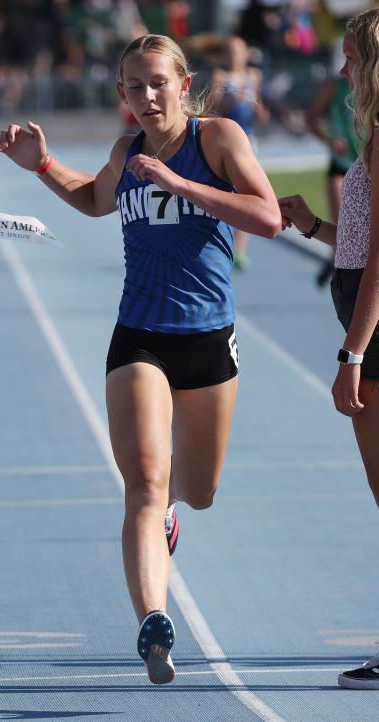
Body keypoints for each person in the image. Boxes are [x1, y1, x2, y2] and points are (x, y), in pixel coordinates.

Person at [0, 34, 281, 684]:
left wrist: (182, 183)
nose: (146, 97)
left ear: (183, 84)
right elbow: (96, 201)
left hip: (207, 337)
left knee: (196, 491)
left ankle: (171, 516)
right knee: (144, 486)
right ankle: (153, 620)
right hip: (140, 336)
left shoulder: (218, 140)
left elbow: (266, 217)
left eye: (157, 83)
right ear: (121, 94)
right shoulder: (126, 152)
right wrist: (42, 166)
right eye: (133, 86)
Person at [278, 9, 379, 691]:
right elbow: (356, 242)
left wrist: (352, 355)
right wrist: (313, 223)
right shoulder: (367, 139)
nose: (340, 69)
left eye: (348, 57)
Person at [209, 35, 269, 271]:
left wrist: (258, 107)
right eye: (230, 50)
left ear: (245, 53)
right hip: (224, 139)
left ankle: (240, 250)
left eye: (238, 50)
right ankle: (218, 241)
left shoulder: (254, 76)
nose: (234, 55)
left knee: (248, 194)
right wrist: (231, 99)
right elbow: (211, 108)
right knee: (224, 191)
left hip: (247, 140)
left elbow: (261, 109)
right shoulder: (220, 76)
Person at [305, 69, 359, 287]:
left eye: (350, 58)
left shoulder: (372, 88)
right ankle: (336, 261)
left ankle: (336, 259)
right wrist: (329, 141)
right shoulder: (334, 87)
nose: (343, 68)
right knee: (342, 223)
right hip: (341, 163)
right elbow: (311, 119)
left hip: (366, 165)